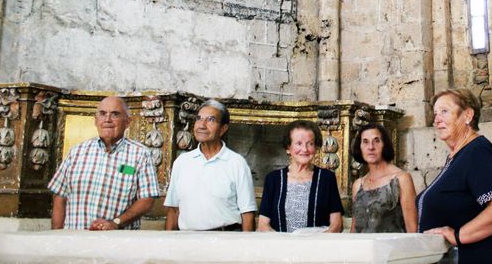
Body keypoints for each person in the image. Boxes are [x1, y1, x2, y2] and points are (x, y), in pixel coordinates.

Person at [418, 89, 492, 263]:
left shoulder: (477, 152)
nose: (437, 119)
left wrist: (458, 236)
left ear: (468, 115)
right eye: (435, 113)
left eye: (444, 111)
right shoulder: (459, 155)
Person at [49, 96, 160, 230]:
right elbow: (60, 196)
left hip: (117, 243)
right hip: (75, 241)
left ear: (128, 122)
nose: (107, 119)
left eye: (115, 114)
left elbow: (147, 199)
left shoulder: (141, 155)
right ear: (96, 121)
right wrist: (57, 235)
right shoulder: (77, 152)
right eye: (102, 114)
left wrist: (115, 223)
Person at [164, 99, 256, 231]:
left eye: (211, 120)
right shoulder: (182, 162)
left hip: (226, 240)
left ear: (223, 129)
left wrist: (245, 248)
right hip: (187, 241)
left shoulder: (236, 163)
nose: (202, 125)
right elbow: (173, 210)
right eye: (199, 118)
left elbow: (247, 213)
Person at [257, 120, 343, 232]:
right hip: (280, 247)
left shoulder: (327, 178)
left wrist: (316, 244)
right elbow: (263, 225)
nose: (305, 149)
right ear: (288, 148)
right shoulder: (273, 179)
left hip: (317, 247)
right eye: (299, 143)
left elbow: (337, 225)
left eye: (310, 143)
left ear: (316, 147)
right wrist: (283, 244)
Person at [349, 123, 417, 233]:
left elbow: (412, 230)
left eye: (376, 141)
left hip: (392, 249)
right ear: (360, 147)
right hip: (361, 249)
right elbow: (354, 229)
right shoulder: (358, 185)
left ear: (384, 145)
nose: (371, 147)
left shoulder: (401, 179)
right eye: (365, 142)